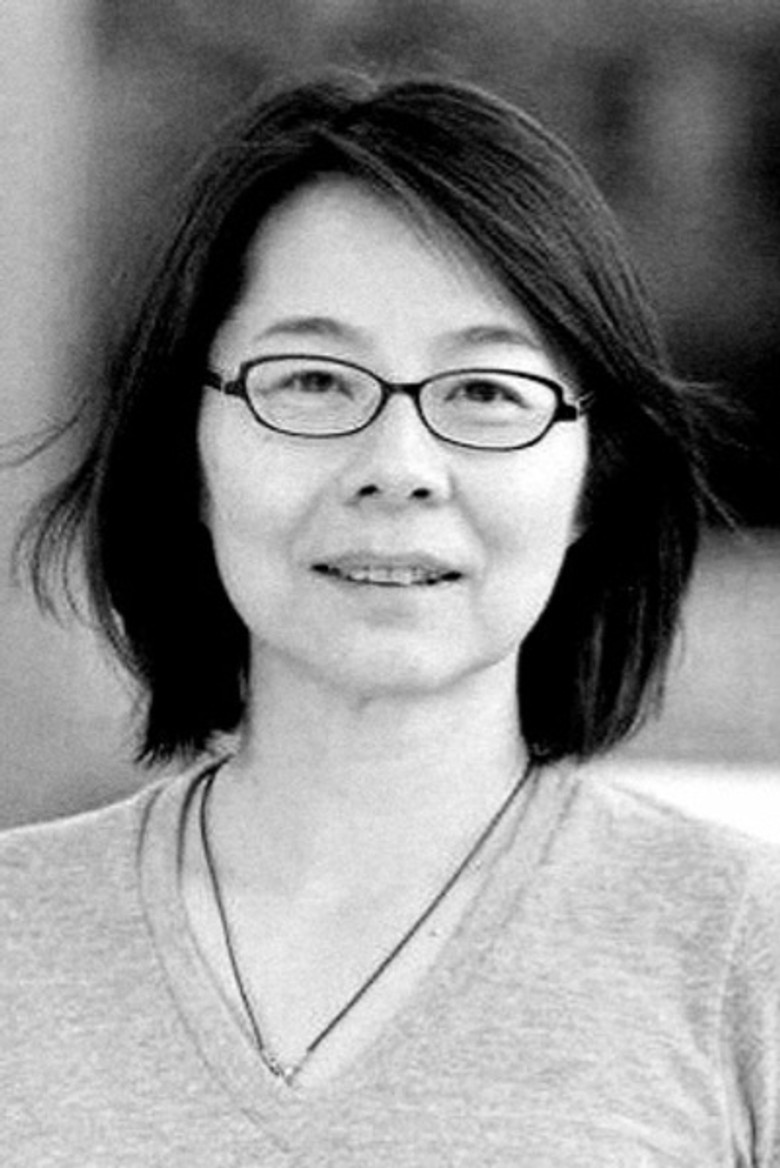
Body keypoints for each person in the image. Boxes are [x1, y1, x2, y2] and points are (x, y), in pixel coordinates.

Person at [2, 69, 779, 1166]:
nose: (399, 466)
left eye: (485, 393)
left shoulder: (743, 953)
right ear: (187, 451)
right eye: (314, 381)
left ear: (592, 481)